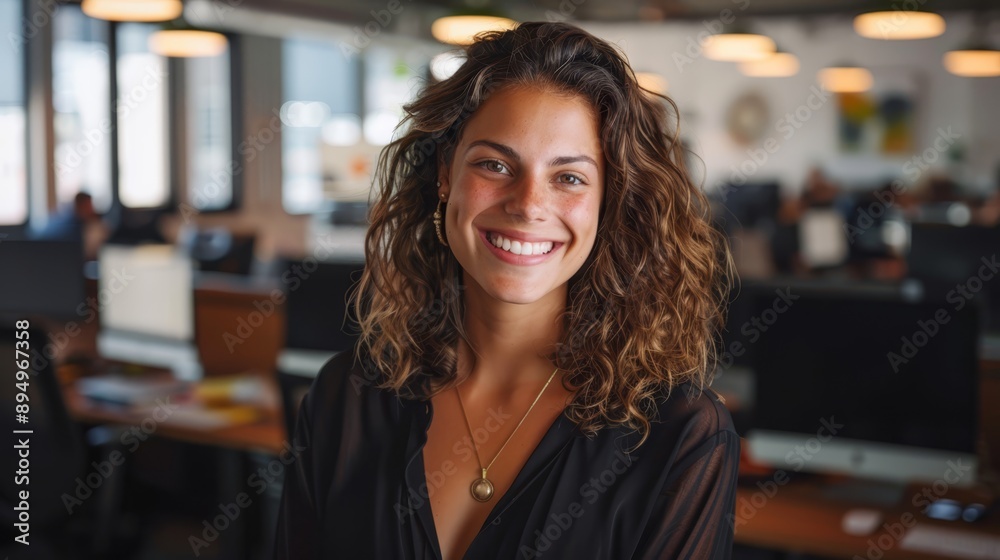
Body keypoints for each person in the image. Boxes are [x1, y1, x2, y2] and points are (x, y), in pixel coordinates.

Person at [274, 22, 739, 560]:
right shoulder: (345, 398)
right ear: (446, 173)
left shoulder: (680, 436)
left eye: (569, 177)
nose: (527, 204)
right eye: (494, 165)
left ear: (608, 200)